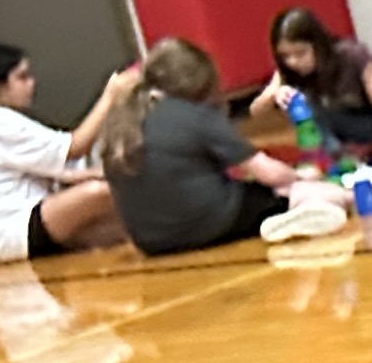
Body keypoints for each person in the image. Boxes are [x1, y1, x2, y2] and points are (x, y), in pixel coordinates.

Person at [103, 38, 314, 255]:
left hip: (151, 242)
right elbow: (270, 174)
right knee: (294, 191)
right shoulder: (193, 115)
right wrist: (301, 177)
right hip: (213, 224)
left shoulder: (123, 121)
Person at [0, 42, 136, 262]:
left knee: (119, 228)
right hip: (7, 229)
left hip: (26, 218)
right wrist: (110, 96)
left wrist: (102, 173)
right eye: (22, 77)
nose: (32, 83)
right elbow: (75, 147)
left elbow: (56, 170)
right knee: (99, 193)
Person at [246, 6, 372, 162]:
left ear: (317, 45)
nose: (293, 62)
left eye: (300, 53)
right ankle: (340, 160)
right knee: (306, 105)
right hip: (344, 132)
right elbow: (256, 111)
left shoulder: (353, 54)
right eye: (285, 56)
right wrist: (275, 92)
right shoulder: (288, 70)